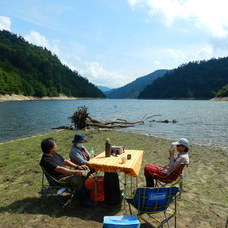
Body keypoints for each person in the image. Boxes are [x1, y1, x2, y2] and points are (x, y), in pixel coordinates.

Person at [39, 137, 93, 207]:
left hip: (66, 175)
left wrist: (77, 166)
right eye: (55, 145)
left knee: (85, 173)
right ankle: (84, 200)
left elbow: (65, 161)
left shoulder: (54, 154)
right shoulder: (45, 160)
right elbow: (60, 169)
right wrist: (74, 172)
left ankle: (85, 192)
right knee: (77, 179)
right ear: (51, 149)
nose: (56, 146)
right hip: (59, 180)